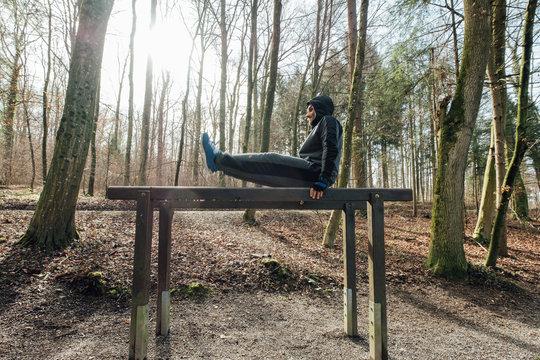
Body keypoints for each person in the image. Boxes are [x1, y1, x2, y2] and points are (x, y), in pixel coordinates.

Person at [202, 95, 343, 200]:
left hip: (316, 173)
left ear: (321, 108)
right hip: (312, 175)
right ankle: (218, 163)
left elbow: (331, 148)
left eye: (311, 109)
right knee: (264, 175)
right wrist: (302, 192)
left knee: (271, 159)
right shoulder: (317, 128)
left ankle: (218, 159)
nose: (308, 115)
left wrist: (323, 180)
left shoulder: (328, 121)